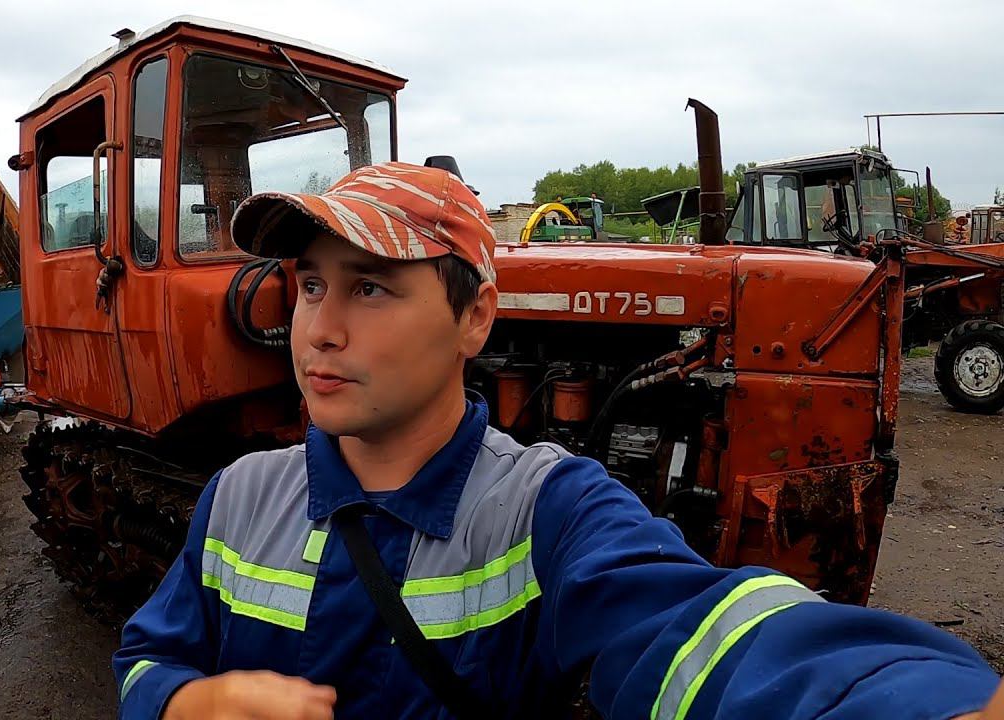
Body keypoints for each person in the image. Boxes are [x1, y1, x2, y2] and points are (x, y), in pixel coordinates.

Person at [114, 162, 1003, 719]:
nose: (320, 330)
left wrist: (905, 696)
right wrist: (189, 699)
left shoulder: (546, 510)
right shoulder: (237, 498)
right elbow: (146, 657)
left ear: (476, 320)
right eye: (310, 287)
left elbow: (699, 632)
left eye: (372, 288)